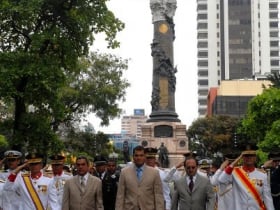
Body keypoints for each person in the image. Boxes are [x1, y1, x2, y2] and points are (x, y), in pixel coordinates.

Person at [219, 144, 275, 210]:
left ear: (255, 158)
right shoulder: (234, 172)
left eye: (251, 155)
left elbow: (267, 197)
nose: (249, 158)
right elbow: (221, 180)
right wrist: (233, 163)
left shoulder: (262, 175)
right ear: (242, 157)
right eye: (246, 155)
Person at [115, 145, 164, 210]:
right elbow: (120, 196)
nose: (139, 158)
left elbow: (158, 196)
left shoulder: (154, 173)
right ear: (133, 157)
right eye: (136, 155)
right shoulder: (124, 172)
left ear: (145, 157)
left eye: (141, 155)